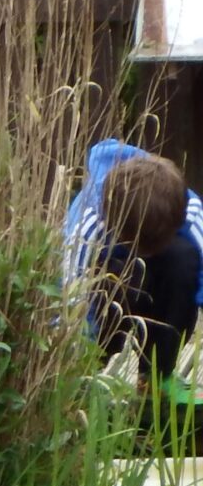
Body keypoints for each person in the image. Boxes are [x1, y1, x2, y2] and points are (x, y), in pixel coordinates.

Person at [64, 141, 203, 380]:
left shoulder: (190, 212)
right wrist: (76, 365)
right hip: (112, 286)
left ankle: (155, 376)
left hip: (163, 282)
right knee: (105, 276)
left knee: (183, 259)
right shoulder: (88, 223)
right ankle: (95, 366)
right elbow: (71, 295)